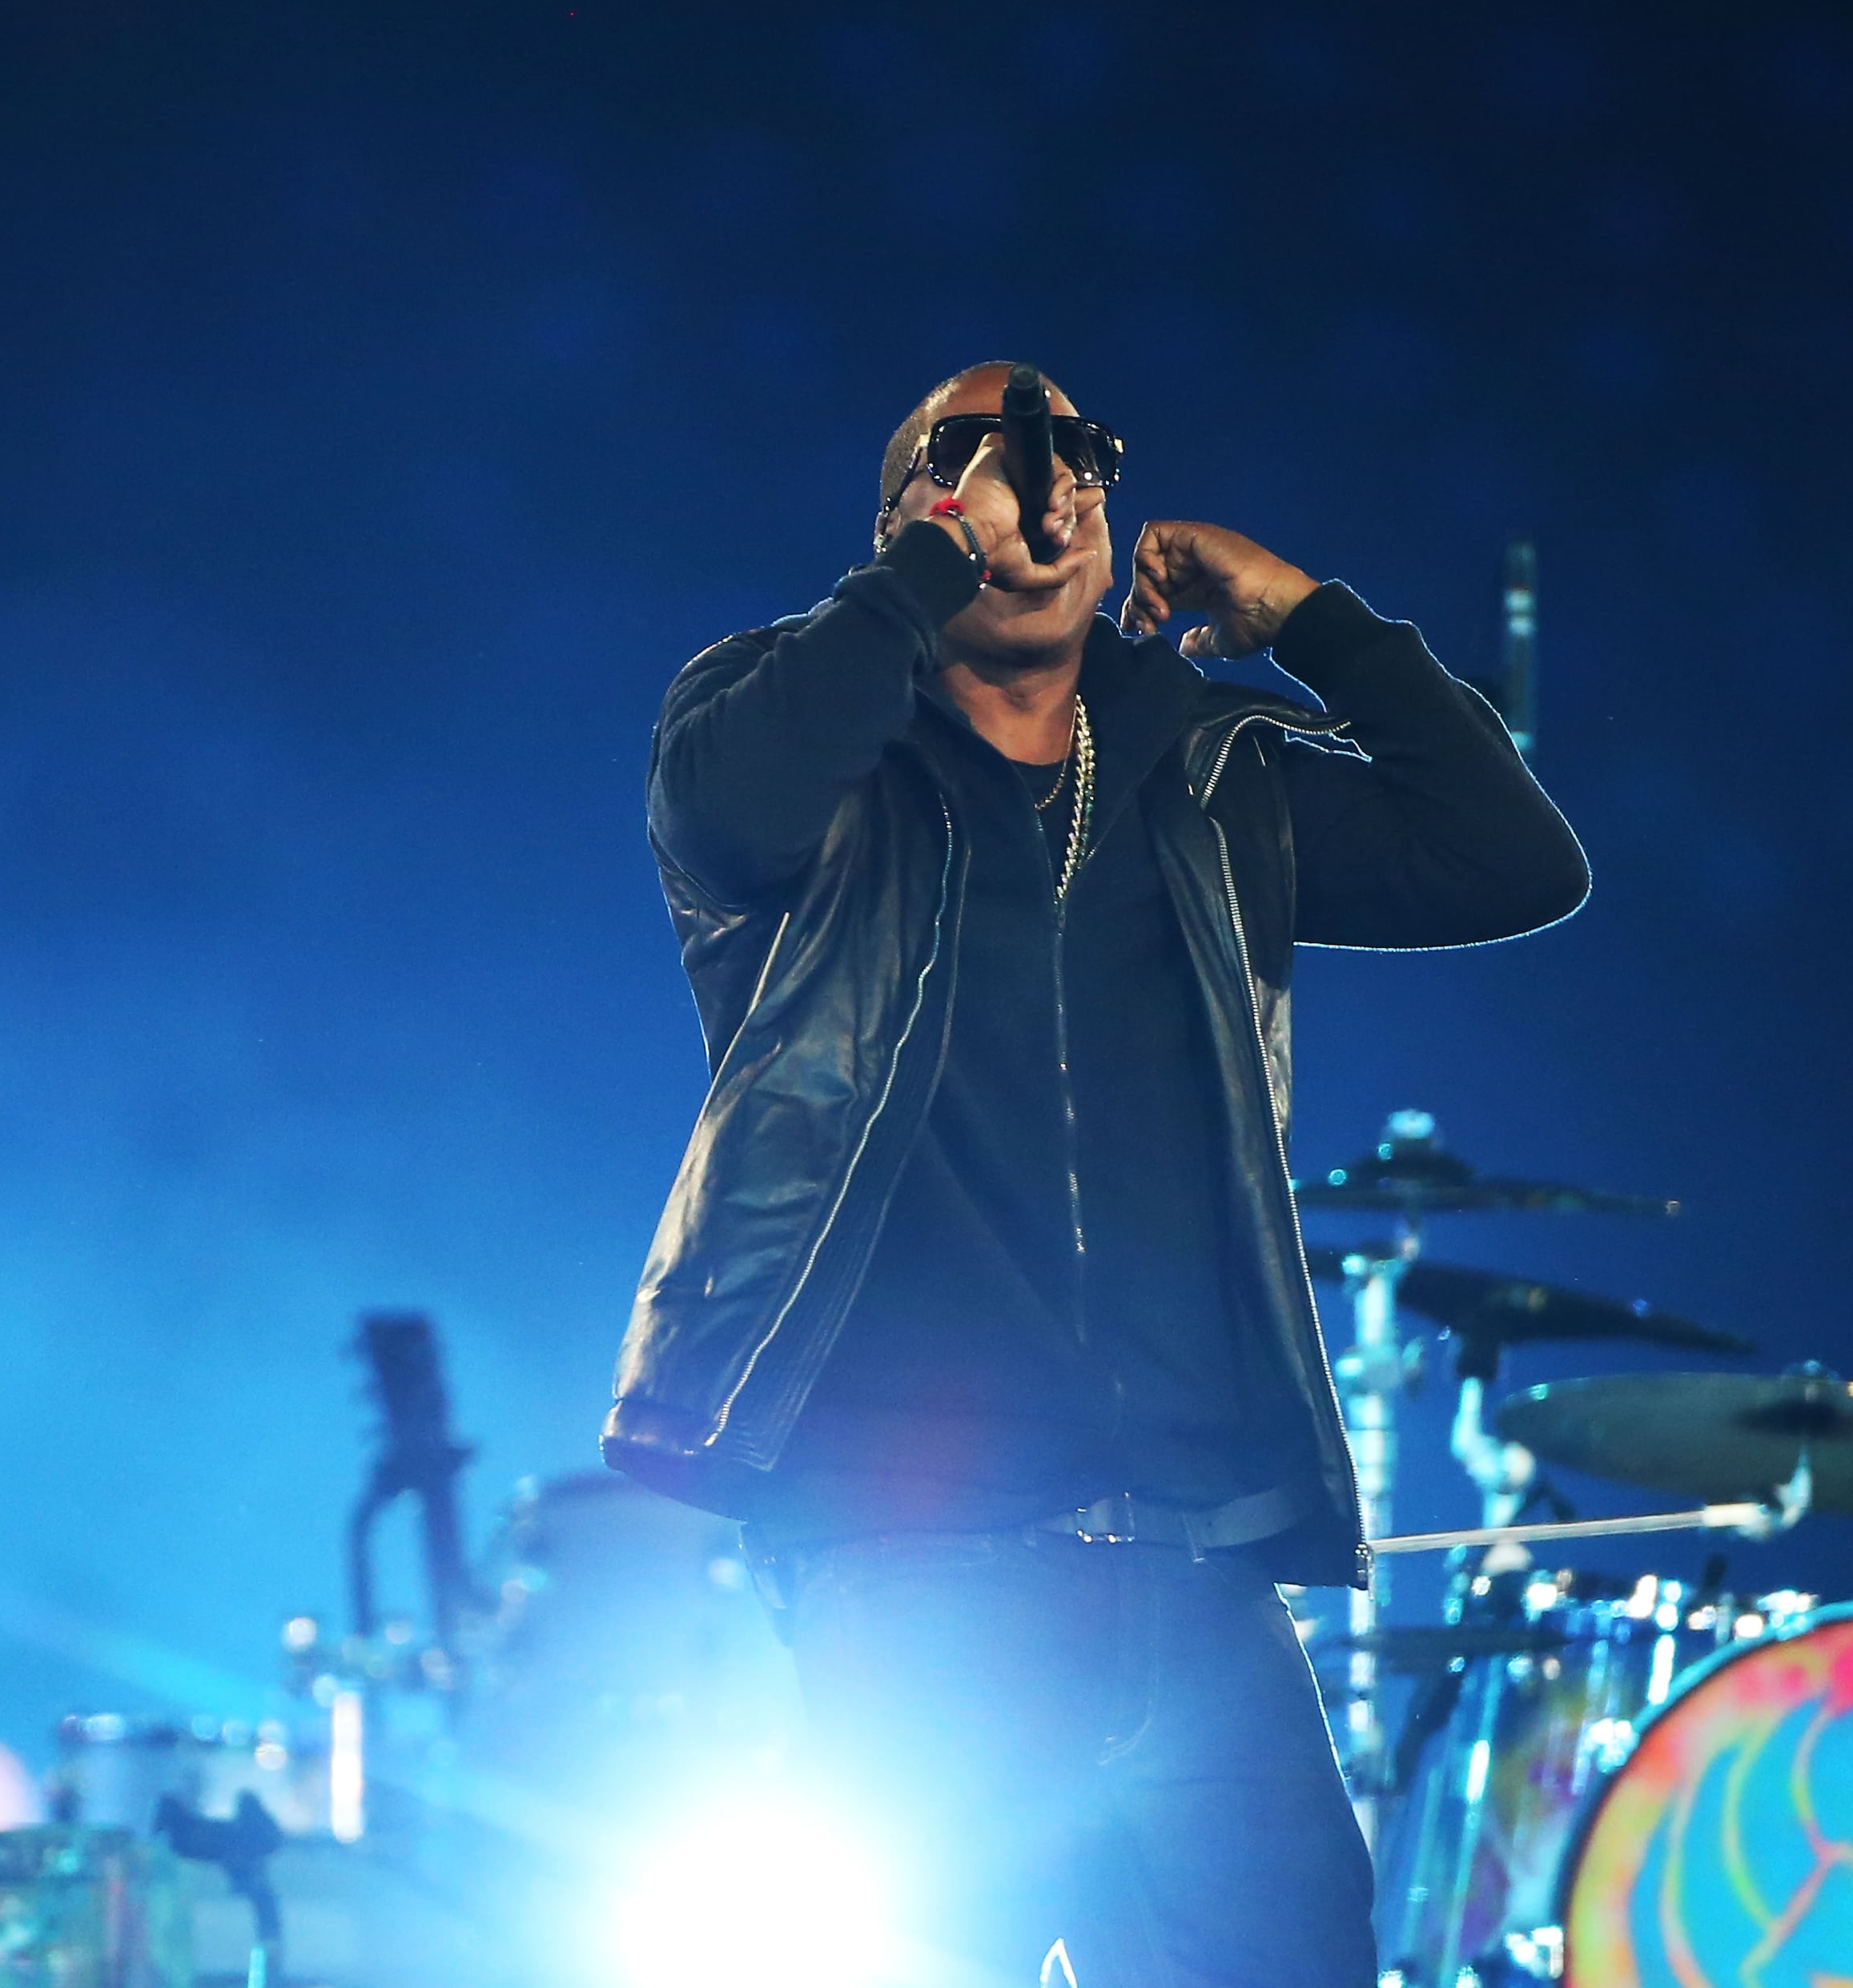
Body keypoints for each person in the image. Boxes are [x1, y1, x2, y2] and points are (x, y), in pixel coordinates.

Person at [601, 363, 1589, 1984]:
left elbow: (1518, 859)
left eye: (1072, 454)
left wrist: (1318, 623)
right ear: (910, 513)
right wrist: (930, 563)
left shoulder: (1212, 780)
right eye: (976, 454)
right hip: (912, 1569)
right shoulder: (801, 741)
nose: (1034, 485)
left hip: (1198, 1565)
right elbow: (731, 808)